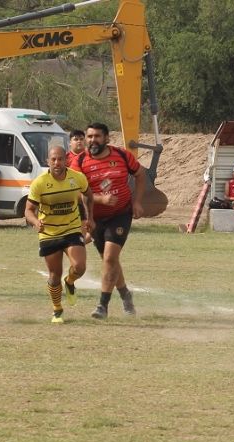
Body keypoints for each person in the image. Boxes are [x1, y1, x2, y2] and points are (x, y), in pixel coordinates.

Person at [70, 122, 146, 319]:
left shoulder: (122, 155)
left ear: (106, 138)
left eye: (97, 136)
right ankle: (125, 295)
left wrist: (137, 202)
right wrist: (99, 199)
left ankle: (102, 306)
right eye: (89, 136)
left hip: (121, 214)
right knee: (109, 260)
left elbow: (140, 174)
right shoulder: (79, 162)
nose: (92, 140)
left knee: (110, 258)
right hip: (94, 218)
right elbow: (76, 192)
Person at [25, 146, 94, 324]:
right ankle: (57, 309)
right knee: (54, 275)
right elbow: (28, 210)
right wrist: (35, 221)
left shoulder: (77, 177)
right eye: (53, 159)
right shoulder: (39, 183)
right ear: (48, 161)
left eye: (60, 159)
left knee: (80, 267)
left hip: (71, 229)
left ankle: (70, 282)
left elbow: (88, 195)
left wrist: (90, 218)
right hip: (49, 233)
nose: (57, 163)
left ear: (66, 160)